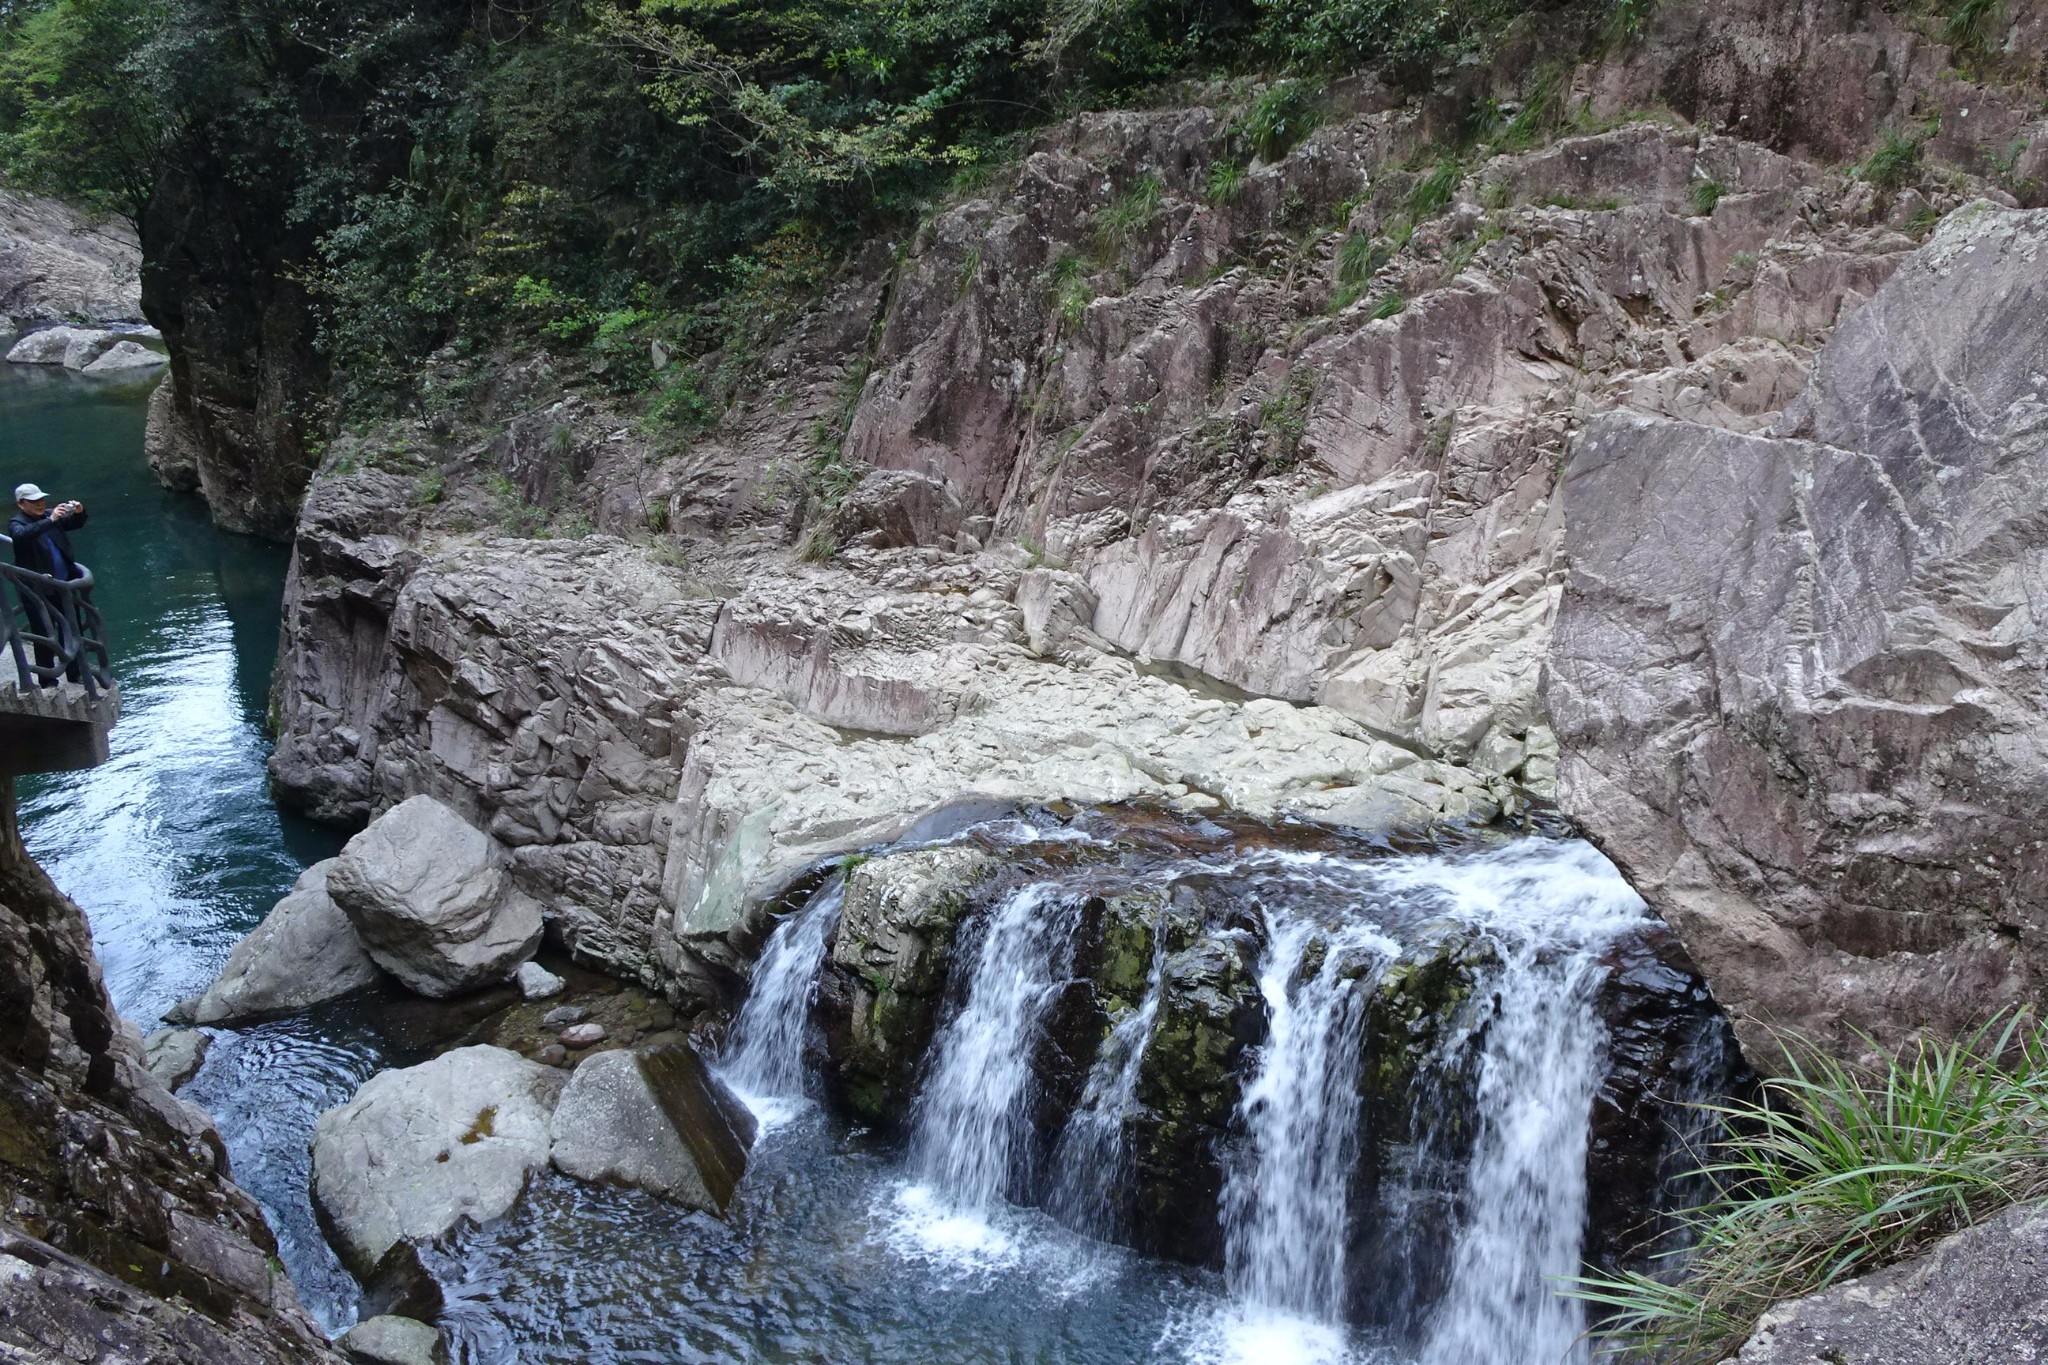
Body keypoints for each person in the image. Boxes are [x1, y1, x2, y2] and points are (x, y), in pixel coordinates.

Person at [7, 483, 88, 684]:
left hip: (62, 583)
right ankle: (47, 679)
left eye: (41, 500)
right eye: (34, 501)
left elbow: (75, 524)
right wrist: (51, 520)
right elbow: (20, 536)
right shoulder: (17, 522)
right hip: (36, 587)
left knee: (72, 627)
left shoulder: (51, 517)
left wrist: (79, 512)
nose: (40, 504)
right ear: (21, 503)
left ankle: (75, 672)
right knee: (43, 631)